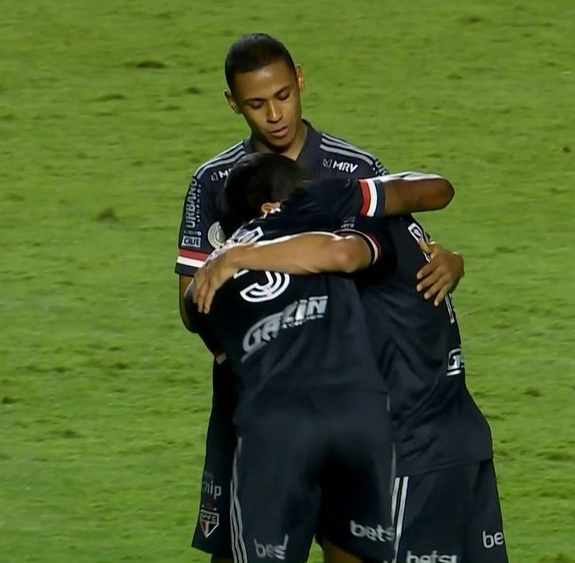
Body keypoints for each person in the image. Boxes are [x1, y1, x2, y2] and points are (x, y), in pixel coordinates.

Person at [174, 33, 464, 561]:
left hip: (351, 393)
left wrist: (449, 261)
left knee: (351, 546)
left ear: (301, 81)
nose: (275, 115)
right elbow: (191, 303)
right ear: (233, 103)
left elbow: (403, 245)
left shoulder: (352, 168)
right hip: (256, 400)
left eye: (283, 96)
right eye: (257, 104)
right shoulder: (214, 182)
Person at [195, 155, 508, 563]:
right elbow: (435, 190)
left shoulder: (338, 230)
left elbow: (342, 256)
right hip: (462, 438)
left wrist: (237, 257)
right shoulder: (372, 217)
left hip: (412, 452)